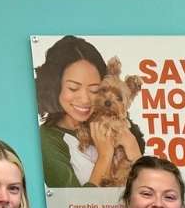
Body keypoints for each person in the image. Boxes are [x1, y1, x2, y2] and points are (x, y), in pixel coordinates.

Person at [34, 35, 144, 187]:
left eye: (94, 90)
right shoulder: (48, 139)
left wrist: (133, 148)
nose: (85, 99)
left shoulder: (116, 122)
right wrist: (105, 156)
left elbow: (147, 186)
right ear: (55, 87)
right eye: (73, 88)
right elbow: (71, 206)